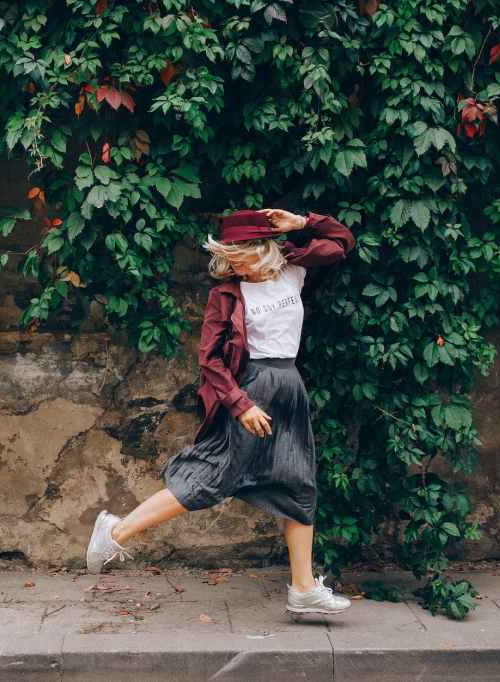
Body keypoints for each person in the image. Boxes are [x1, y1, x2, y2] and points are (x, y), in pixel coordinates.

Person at [85, 207, 357, 618]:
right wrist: (241, 404)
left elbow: (341, 243)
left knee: (300, 485)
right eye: (227, 256)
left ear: (262, 248)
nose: (232, 264)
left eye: (239, 255)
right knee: (214, 476)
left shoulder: (293, 271)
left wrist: (302, 223)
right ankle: (116, 531)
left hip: (289, 385)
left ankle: (303, 590)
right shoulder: (227, 295)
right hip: (252, 387)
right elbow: (209, 360)